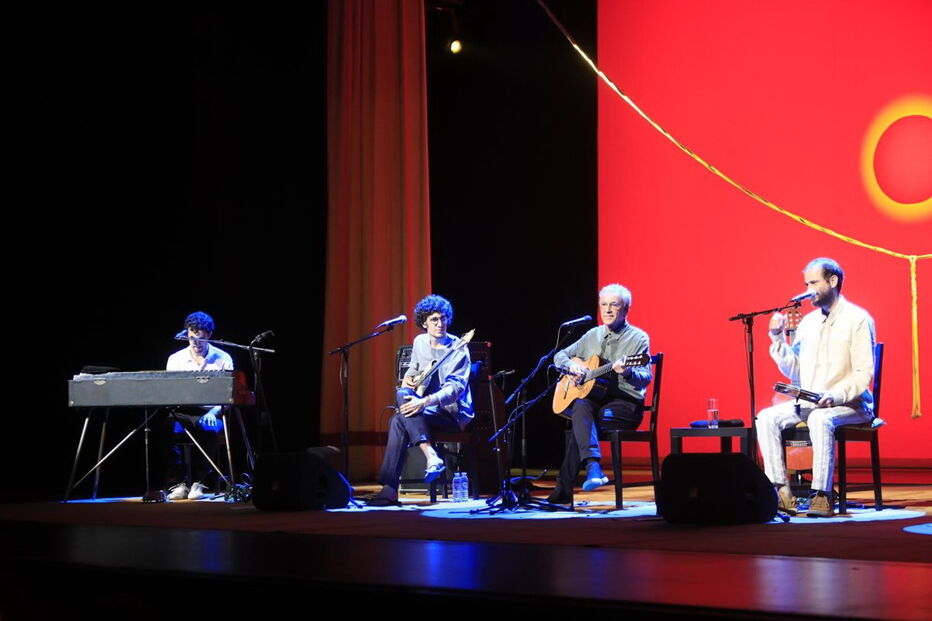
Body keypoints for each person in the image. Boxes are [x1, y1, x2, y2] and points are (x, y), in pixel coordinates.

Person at [756, 258, 875, 517]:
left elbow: (863, 373)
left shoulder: (857, 319)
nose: (808, 290)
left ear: (833, 281)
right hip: (812, 401)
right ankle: (781, 492)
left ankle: (821, 494)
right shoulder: (808, 323)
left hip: (851, 404)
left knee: (820, 418)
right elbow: (795, 370)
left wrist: (834, 395)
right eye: (806, 284)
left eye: (813, 283)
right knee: (765, 417)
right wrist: (777, 338)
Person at [547, 284, 652, 504]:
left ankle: (566, 487)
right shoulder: (592, 335)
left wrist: (629, 372)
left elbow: (645, 377)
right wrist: (572, 367)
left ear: (626, 309)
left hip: (626, 405)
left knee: (583, 421)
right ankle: (593, 467)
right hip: (596, 401)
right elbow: (560, 355)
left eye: (614, 305)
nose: (608, 309)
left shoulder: (638, 338)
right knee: (582, 406)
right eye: (603, 304)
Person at [366, 295, 474, 506]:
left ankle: (390, 489)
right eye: (434, 320)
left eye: (443, 318)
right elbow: (413, 371)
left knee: (398, 420)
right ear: (424, 322)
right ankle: (430, 455)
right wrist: (408, 381)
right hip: (425, 411)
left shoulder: (459, 348)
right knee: (401, 398)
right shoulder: (420, 342)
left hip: (451, 414)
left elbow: (454, 390)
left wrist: (423, 402)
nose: (440, 324)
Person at [162, 311, 234, 500]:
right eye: (192, 339)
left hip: (211, 411)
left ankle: (198, 483)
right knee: (167, 428)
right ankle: (179, 483)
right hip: (183, 410)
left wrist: (213, 412)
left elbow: (228, 395)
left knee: (209, 428)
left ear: (209, 335)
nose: (196, 344)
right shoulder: (175, 359)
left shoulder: (223, 358)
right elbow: (170, 391)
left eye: (200, 340)